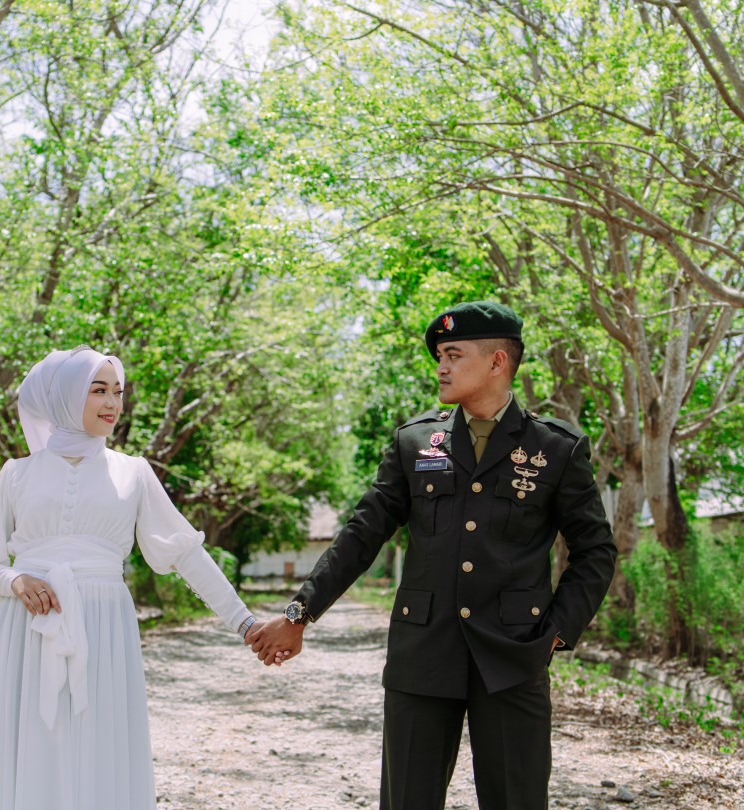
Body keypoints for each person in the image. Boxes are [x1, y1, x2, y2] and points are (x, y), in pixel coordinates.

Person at [249, 301, 617, 810]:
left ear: (497, 361)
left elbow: (595, 550)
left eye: (453, 355)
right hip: (422, 654)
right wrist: (299, 612)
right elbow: (362, 534)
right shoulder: (416, 441)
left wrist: (554, 633)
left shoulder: (555, 448)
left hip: (514, 656)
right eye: (439, 356)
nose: (441, 367)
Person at [0, 346, 263, 809]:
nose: (112, 403)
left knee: (98, 745)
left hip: (104, 627)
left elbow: (185, 553)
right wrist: (16, 581)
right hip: (26, 627)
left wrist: (245, 622)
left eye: (117, 392)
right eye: (98, 390)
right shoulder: (16, 474)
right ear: (65, 397)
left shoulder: (133, 472)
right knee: (32, 744)